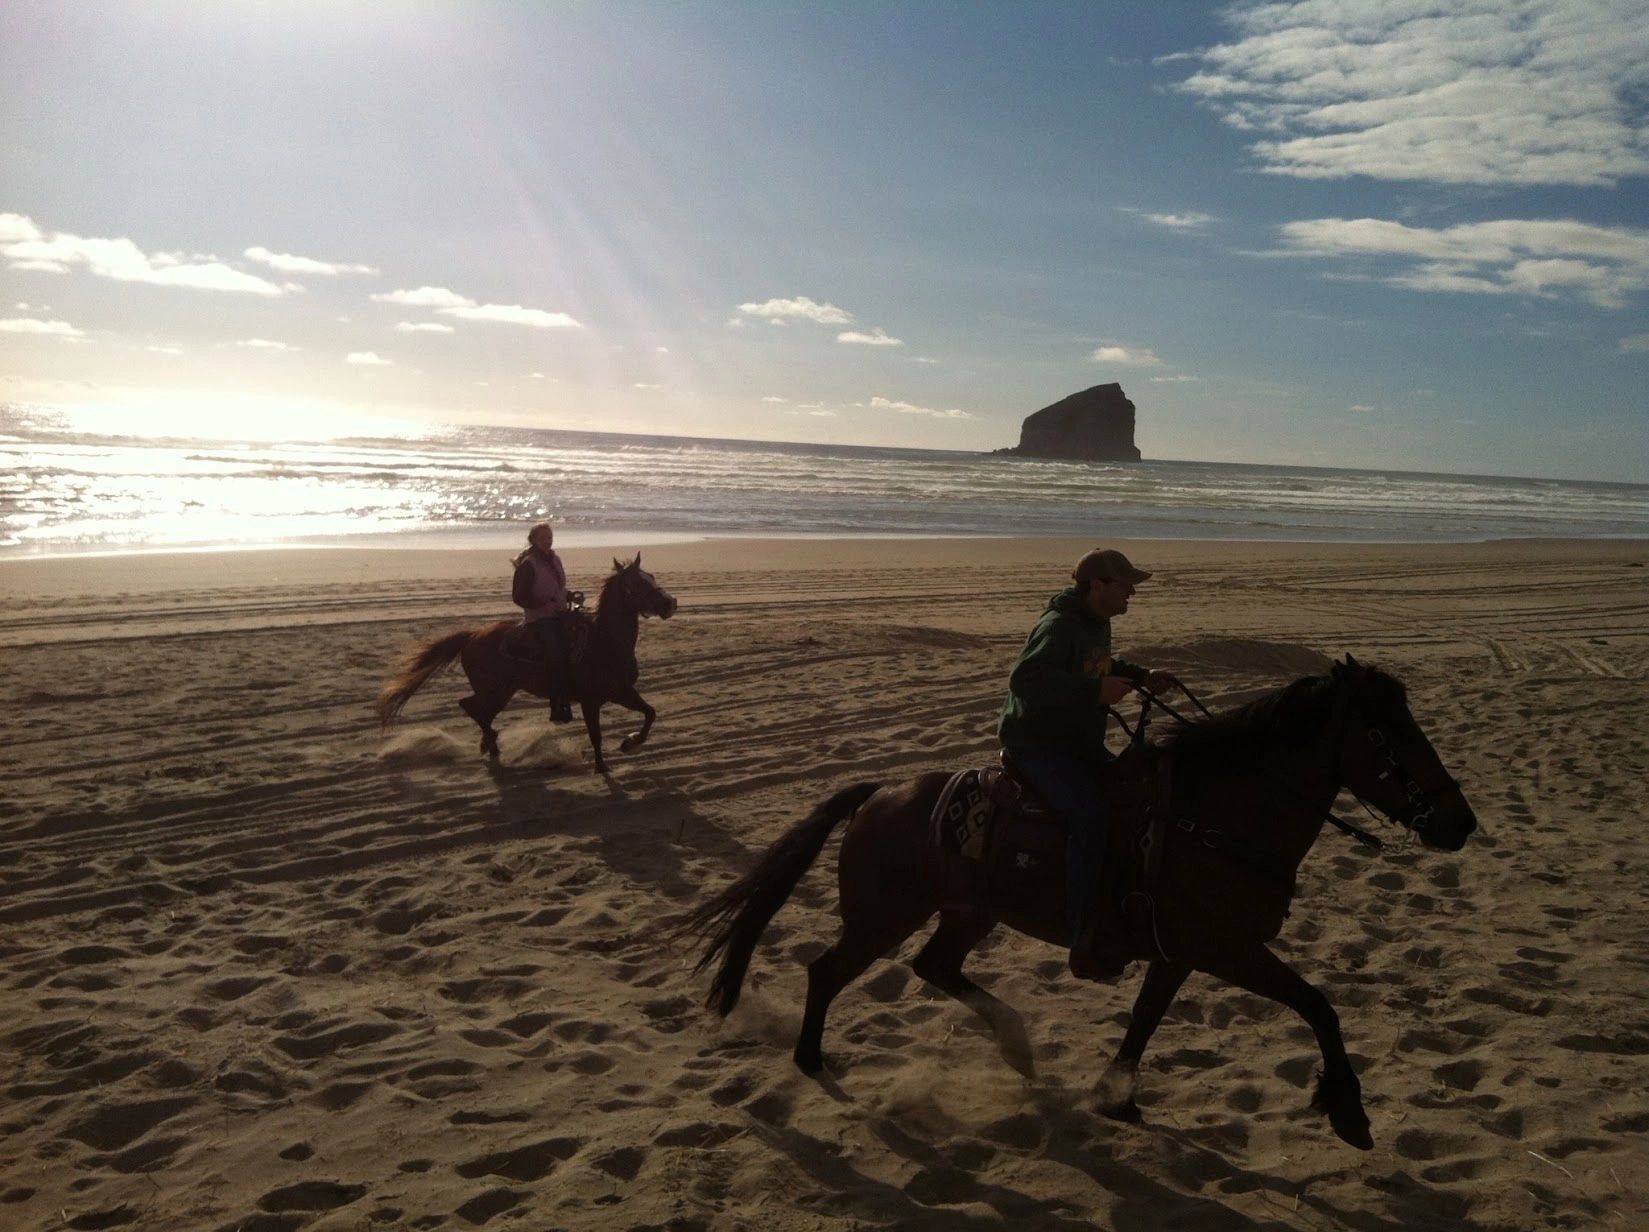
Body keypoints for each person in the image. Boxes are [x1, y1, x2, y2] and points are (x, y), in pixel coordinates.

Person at [996, 548, 1178, 981]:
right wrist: (1094, 693)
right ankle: (1080, 928)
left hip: (1076, 744)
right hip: (1038, 745)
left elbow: (1098, 666)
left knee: (1134, 797)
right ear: (1098, 586)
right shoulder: (1058, 626)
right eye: (1126, 585)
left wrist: (1141, 675)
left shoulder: (1097, 623)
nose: (1132, 592)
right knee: (1091, 818)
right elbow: (1024, 679)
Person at [512, 522, 575, 722]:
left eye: (550, 537)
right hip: (539, 618)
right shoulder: (528, 564)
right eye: (544, 538)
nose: (548, 541)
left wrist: (569, 596)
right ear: (534, 540)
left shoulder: (554, 558)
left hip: (560, 612)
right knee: (555, 654)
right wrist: (542, 606)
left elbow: (557, 587)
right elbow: (519, 597)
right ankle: (557, 704)